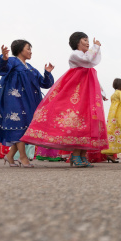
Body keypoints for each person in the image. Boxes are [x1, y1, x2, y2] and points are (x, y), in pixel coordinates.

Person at [21, 32, 108, 168]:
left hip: (88, 96)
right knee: (79, 123)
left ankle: (82, 155)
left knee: (88, 123)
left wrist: (102, 92)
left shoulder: (87, 61)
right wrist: (96, 47)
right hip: (77, 95)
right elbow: (89, 60)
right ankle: (75, 154)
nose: (88, 43)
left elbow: (93, 78)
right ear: (77, 42)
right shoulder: (76, 55)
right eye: (85, 40)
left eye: (88, 40)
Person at [0, 40, 54, 168]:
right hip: (14, 99)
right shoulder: (12, 61)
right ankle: (23, 157)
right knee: (18, 125)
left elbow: (45, 83)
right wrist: (4, 58)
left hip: (29, 101)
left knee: (25, 128)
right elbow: (1, 68)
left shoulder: (31, 68)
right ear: (20, 50)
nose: (30, 51)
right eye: (28, 48)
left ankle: (10, 156)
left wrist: (47, 73)